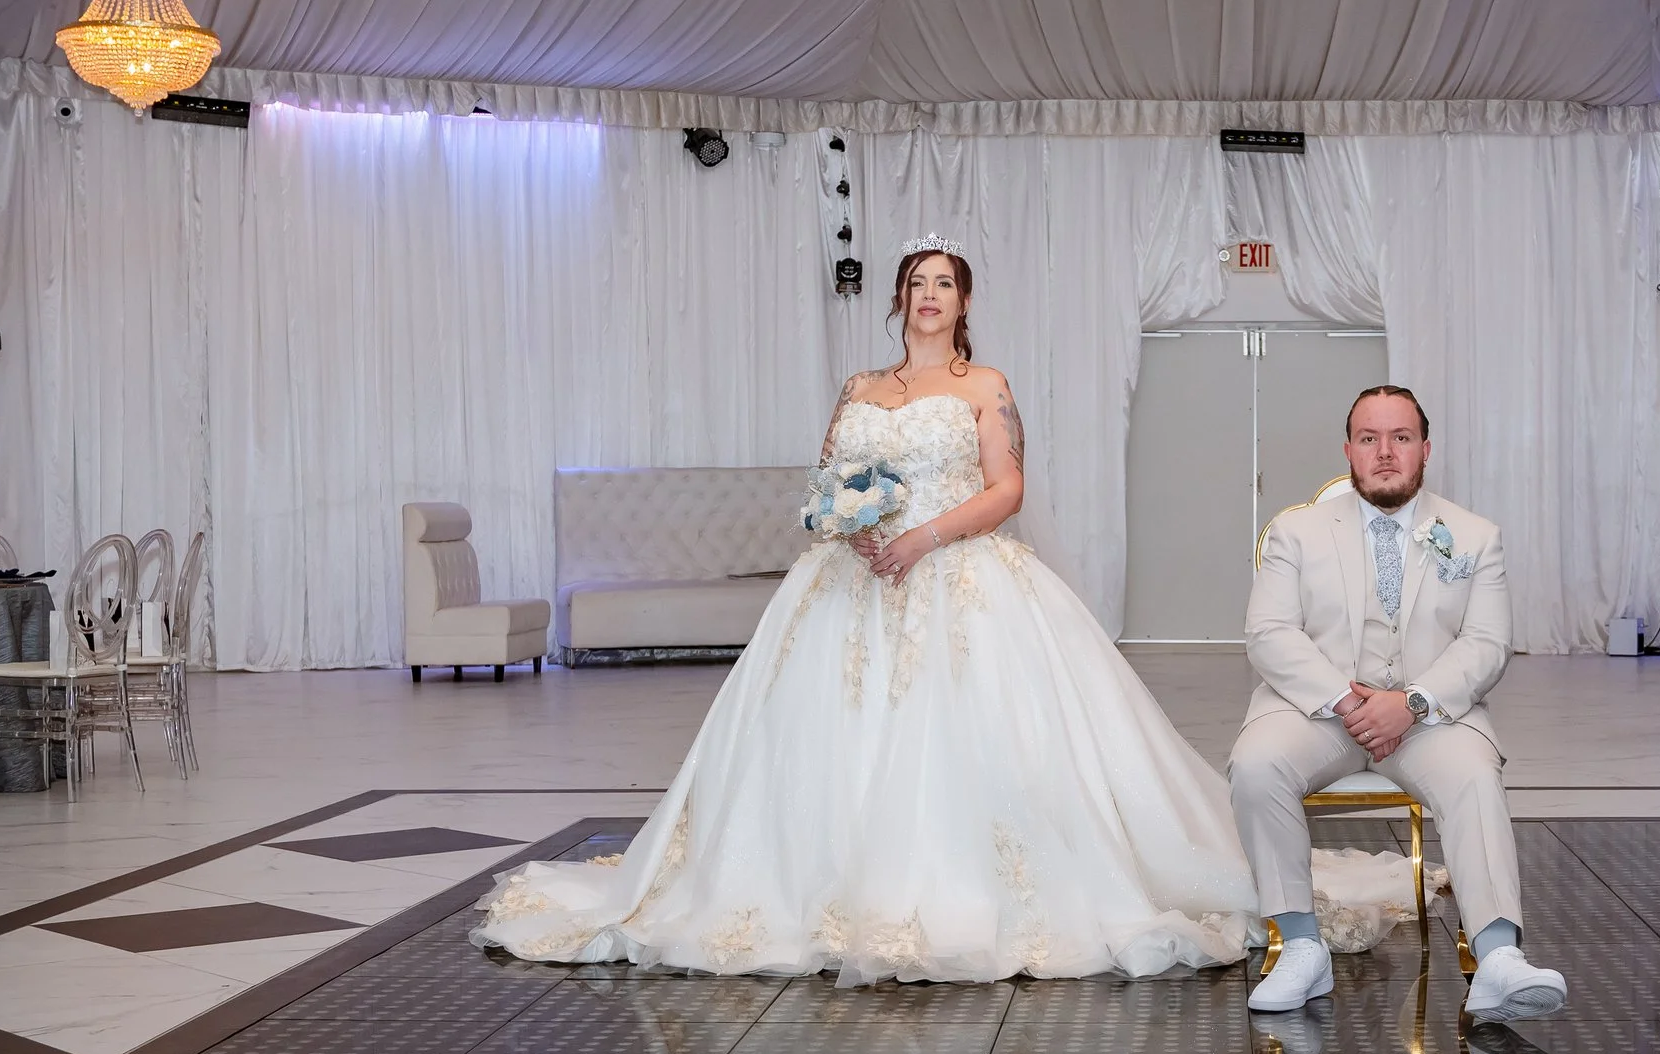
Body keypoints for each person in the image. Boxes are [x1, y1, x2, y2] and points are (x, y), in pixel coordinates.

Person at [473, 235, 1271, 982]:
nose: (930, 296)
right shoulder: (859, 387)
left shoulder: (984, 387)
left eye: (944, 285)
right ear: (898, 298)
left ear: (964, 303)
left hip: (959, 575)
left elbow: (1007, 489)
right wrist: (841, 524)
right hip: (848, 584)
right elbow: (823, 484)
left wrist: (922, 536)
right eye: (917, 283)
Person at [1229, 384, 1569, 1022]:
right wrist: (1344, 701)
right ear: (1350, 450)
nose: (1385, 453)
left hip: (1428, 718)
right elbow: (1268, 634)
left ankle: (1497, 956)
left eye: (1401, 438)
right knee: (1256, 763)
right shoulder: (1294, 532)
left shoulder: (1472, 535)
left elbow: (1488, 643)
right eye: (1369, 438)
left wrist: (1410, 703)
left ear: (1425, 449)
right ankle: (1301, 945)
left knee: (1474, 771)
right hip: (1318, 711)